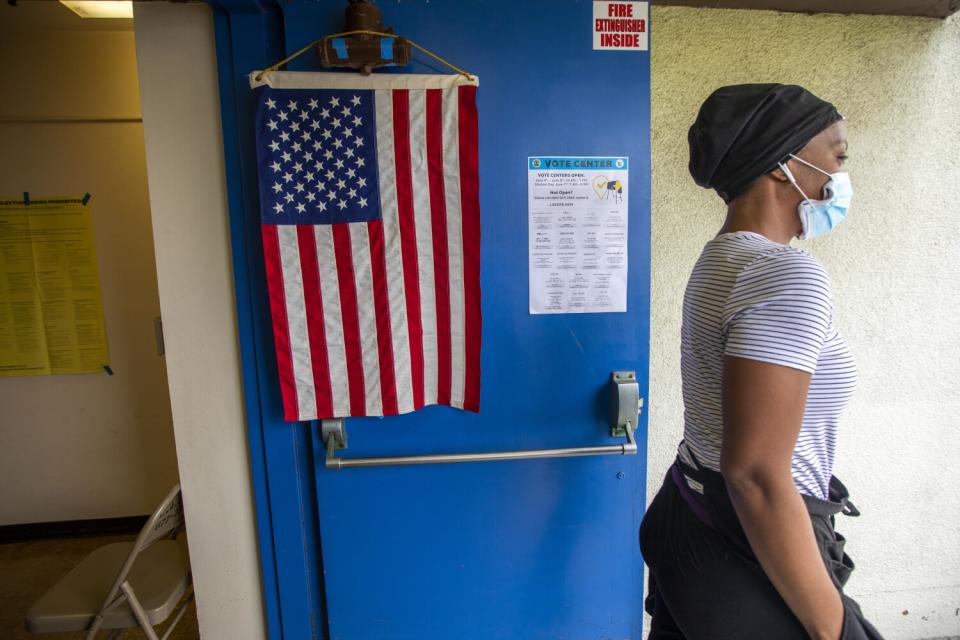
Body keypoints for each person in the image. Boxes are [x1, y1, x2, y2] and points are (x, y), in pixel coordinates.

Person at [639, 84, 884, 640]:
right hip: (748, 538)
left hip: (690, 511)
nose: (841, 175)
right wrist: (834, 628)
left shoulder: (721, 256)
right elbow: (753, 472)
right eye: (837, 156)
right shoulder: (788, 275)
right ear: (782, 165)